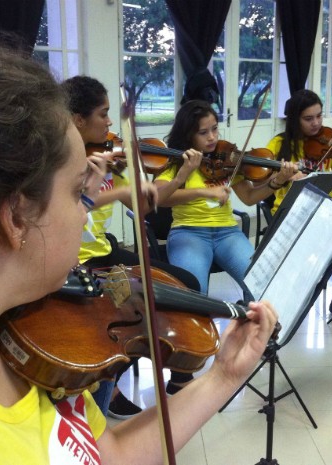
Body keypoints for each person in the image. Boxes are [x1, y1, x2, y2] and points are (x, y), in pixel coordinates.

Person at [0, 49, 278, 464]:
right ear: (15, 216)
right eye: (75, 193)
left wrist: (223, 376)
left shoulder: (33, 332)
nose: (83, 211)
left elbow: (109, 452)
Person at [61, 76, 204, 418]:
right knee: (133, 311)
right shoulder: (61, 158)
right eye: (103, 113)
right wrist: (118, 192)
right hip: (73, 262)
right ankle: (106, 384)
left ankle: (180, 376)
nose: (110, 122)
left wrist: (181, 176)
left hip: (102, 251)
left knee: (184, 283)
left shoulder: (112, 155)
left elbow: (143, 207)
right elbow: (64, 207)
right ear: (78, 120)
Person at [154, 99, 297, 303]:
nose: (212, 137)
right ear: (189, 135)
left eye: (214, 129)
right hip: (188, 232)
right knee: (194, 295)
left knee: (260, 283)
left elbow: (249, 197)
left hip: (227, 232)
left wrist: (278, 181)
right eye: (203, 133)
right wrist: (192, 183)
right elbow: (159, 199)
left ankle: (249, 323)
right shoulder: (177, 163)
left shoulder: (227, 160)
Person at [266, 89, 332, 326]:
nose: (317, 124)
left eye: (319, 116)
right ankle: (279, 306)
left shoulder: (329, 143)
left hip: (325, 209)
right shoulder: (279, 144)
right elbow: (266, 181)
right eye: (308, 118)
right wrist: (283, 175)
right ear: (294, 119)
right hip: (290, 211)